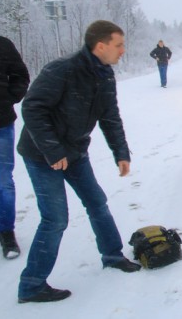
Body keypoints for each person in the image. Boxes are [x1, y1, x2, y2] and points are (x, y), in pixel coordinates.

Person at [17, 20, 141, 304]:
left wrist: (121, 152)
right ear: (101, 46)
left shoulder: (105, 75)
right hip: (42, 155)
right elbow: (32, 108)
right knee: (55, 218)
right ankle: (32, 285)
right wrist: (52, 151)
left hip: (74, 152)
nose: (123, 50)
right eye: (118, 44)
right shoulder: (63, 70)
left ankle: (112, 256)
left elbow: (110, 117)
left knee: (97, 202)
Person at [0, 3, 30, 259]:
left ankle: (7, 232)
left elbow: (21, 75)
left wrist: (8, 97)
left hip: (0, 124)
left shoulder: (3, 46)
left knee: (3, 181)